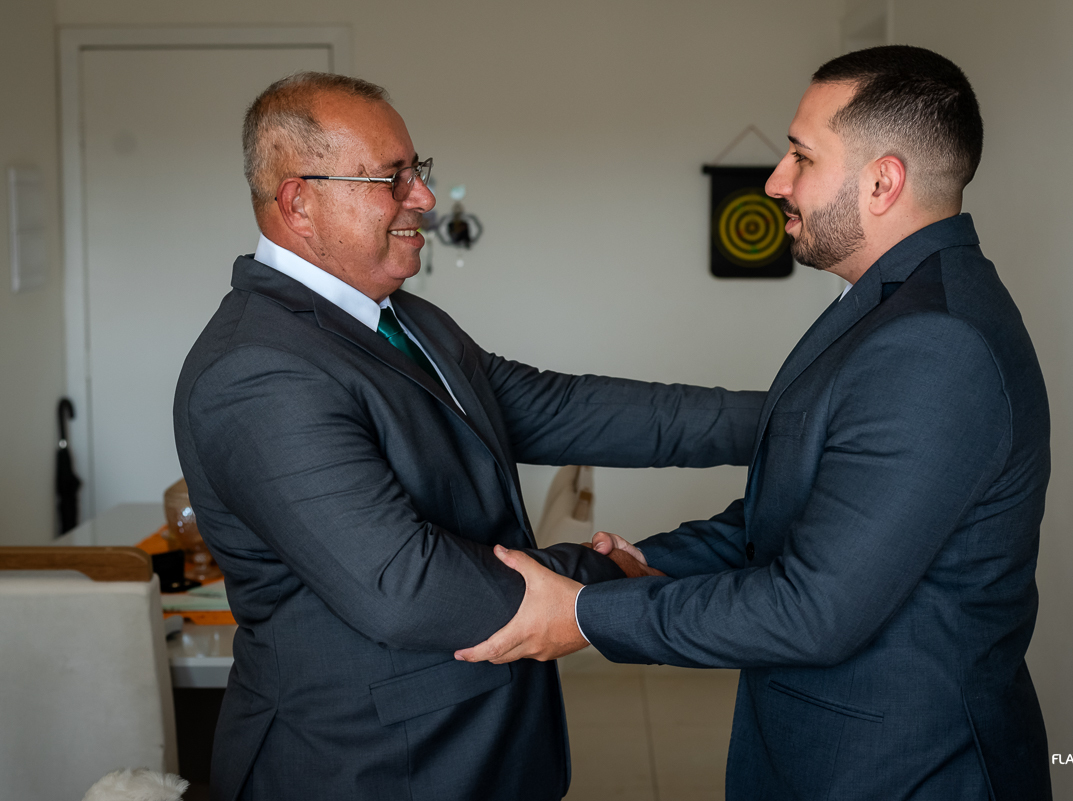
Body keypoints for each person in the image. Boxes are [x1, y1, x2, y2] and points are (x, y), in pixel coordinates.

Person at [457, 46, 1053, 800]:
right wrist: (647, 560)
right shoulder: (885, 306)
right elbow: (793, 513)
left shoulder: (937, 342)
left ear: (882, 181)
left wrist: (587, 613)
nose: (775, 180)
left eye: (802, 156)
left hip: (902, 768)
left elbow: (814, 609)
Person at [173, 72, 763, 801]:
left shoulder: (406, 319)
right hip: (368, 766)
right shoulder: (256, 368)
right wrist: (608, 579)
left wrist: (792, 418)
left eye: (417, 171)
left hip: (485, 746)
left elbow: (567, 407)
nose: (421, 197)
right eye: (393, 178)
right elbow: (404, 583)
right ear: (300, 200)